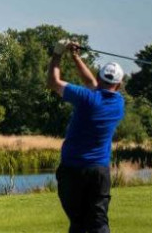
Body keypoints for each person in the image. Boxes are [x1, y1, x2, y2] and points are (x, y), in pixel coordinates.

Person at [47, 41, 125, 233]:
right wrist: (76, 57)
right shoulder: (119, 104)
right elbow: (93, 85)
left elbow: (53, 82)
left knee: (78, 222)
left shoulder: (86, 98)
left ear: (99, 76)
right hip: (99, 171)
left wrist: (57, 54)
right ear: (120, 84)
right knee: (99, 222)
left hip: (72, 169)